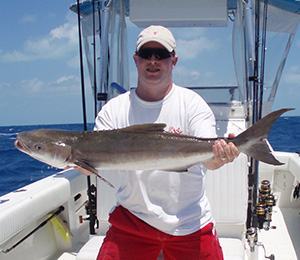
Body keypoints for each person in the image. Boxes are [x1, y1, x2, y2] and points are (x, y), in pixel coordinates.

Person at [92, 25, 239, 260]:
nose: (153, 60)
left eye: (161, 55)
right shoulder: (114, 110)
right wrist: (77, 163)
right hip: (133, 221)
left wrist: (222, 155)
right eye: (146, 53)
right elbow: (92, 158)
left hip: (190, 223)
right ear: (136, 59)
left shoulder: (192, 104)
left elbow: (209, 162)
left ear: (174, 60)